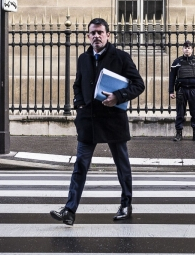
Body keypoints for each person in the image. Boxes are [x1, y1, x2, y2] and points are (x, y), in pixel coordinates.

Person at [50, 18, 145, 226]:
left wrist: (118, 97)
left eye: (100, 32)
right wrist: (79, 104)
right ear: (88, 36)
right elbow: (77, 84)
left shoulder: (121, 57)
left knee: (122, 165)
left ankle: (126, 204)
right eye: (92, 33)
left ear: (108, 35)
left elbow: (139, 84)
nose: (96, 36)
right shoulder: (83, 58)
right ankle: (70, 210)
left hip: (113, 119)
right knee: (80, 165)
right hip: (88, 120)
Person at [168, 40, 195, 141]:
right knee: (180, 113)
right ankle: (178, 134)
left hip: (194, 90)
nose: (187, 50)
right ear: (182, 49)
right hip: (181, 90)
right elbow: (172, 77)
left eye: (188, 48)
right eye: (185, 48)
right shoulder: (177, 62)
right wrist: (171, 91)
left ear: (192, 49)